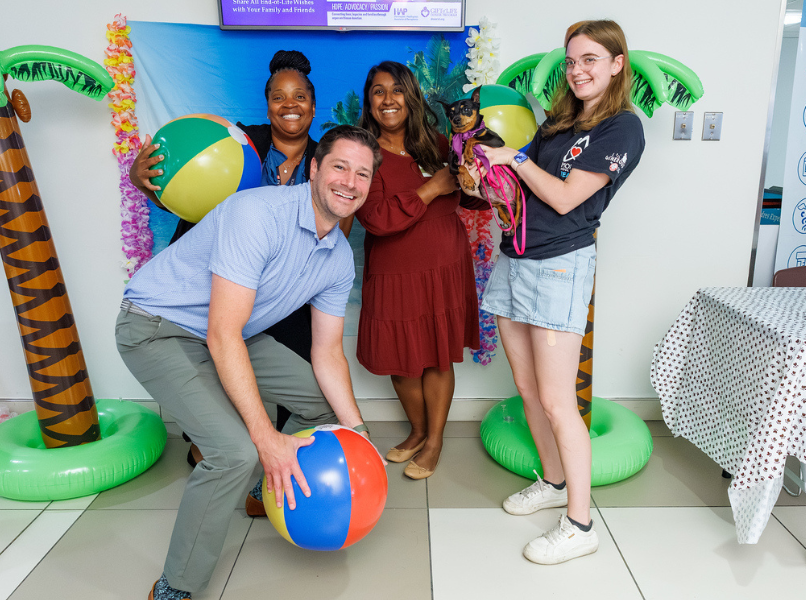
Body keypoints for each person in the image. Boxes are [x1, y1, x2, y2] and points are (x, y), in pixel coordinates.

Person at [117, 125, 382, 600]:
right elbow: (220, 334)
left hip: (231, 332)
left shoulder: (339, 257)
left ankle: (268, 491)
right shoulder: (257, 213)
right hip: (159, 327)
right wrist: (266, 441)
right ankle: (176, 586)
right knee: (234, 453)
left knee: (324, 407)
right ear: (315, 169)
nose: (350, 182)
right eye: (340, 166)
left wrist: (357, 430)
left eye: (362, 174)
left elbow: (326, 353)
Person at [129, 50, 344, 515]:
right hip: (213, 282)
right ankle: (211, 446)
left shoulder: (327, 160)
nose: (290, 104)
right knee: (209, 366)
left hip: (282, 294)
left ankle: (269, 477)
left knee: (294, 381)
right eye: (279, 97)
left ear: (313, 104)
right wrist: (142, 178)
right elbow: (184, 192)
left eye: (300, 96)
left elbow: (335, 232)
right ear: (267, 105)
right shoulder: (236, 141)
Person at [472, 20, 645, 564]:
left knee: (556, 400)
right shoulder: (559, 122)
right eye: (571, 61)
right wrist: (490, 181)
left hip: (561, 269)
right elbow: (523, 193)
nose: (577, 71)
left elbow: (569, 200)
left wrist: (515, 161)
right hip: (516, 258)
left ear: (617, 63)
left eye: (590, 59)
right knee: (527, 389)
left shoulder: (623, 128)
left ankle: (580, 523)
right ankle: (550, 481)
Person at [354, 61, 485, 480]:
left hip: (443, 263)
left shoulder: (439, 142)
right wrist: (430, 188)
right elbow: (375, 219)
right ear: (369, 101)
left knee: (437, 359)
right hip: (394, 269)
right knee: (401, 362)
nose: (388, 99)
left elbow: (471, 201)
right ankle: (418, 430)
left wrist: (478, 182)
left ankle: (434, 441)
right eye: (378, 91)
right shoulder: (363, 154)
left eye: (397, 90)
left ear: (411, 97)